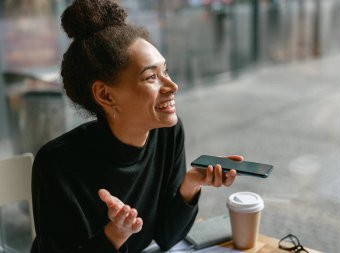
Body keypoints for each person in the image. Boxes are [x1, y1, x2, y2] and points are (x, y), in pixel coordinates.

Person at [31, 0, 243, 252]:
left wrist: (189, 186)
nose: (172, 86)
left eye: (166, 71)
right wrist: (114, 235)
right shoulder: (57, 163)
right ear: (106, 95)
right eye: (151, 77)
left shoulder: (168, 133)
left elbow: (167, 237)